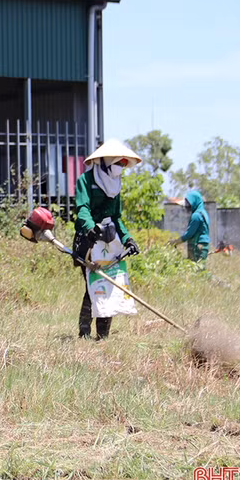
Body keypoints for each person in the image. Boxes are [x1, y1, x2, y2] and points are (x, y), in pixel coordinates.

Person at [72, 139, 142, 340]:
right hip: (88, 241)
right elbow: (82, 209)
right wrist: (90, 227)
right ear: (105, 162)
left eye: (122, 164)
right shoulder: (84, 181)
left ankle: (103, 337)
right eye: (117, 163)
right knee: (93, 286)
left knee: (110, 286)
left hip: (110, 241)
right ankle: (84, 333)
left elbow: (116, 218)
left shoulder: (116, 184)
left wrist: (127, 239)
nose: (120, 167)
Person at [169, 190, 210, 264]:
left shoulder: (196, 216)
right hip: (203, 246)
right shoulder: (203, 213)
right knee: (200, 269)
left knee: (196, 270)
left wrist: (175, 242)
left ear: (195, 202)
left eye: (189, 205)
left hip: (197, 246)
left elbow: (189, 234)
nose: (187, 207)